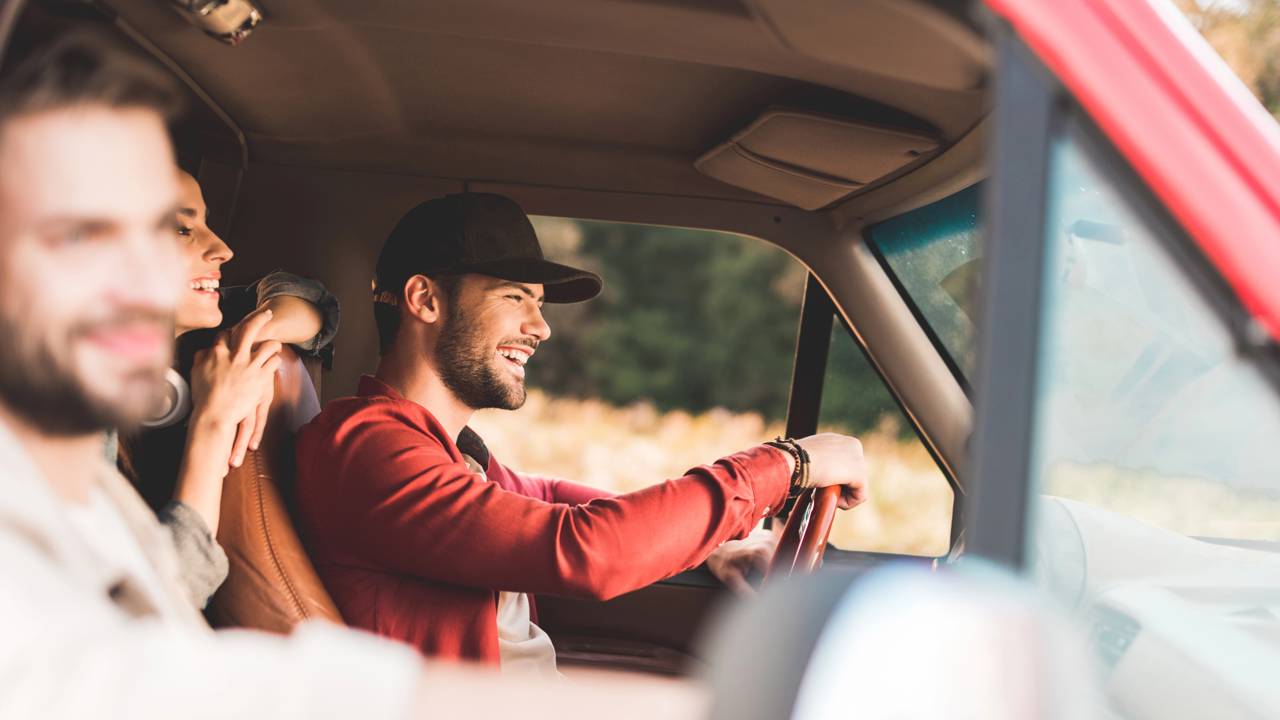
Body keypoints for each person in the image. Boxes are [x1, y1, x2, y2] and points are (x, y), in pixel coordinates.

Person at [0, 31, 708, 718]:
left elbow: (313, 301)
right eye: (169, 228)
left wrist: (272, 327)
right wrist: (213, 431)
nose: (218, 250)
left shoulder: (98, 459)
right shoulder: (362, 442)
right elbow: (160, 651)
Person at [294, 192, 871, 673]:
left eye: (539, 304)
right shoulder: (367, 446)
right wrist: (788, 464)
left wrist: (717, 544)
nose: (540, 327)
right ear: (425, 299)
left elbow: (542, 499)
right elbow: (587, 551)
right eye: (514, 297)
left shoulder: (444, 452)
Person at [118, 167, 340, 608]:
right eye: (183, 229)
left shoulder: (202, 338)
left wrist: (247, 344)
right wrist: (215, 420)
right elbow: (163, 601)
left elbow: (310, 299)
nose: (222, 248)